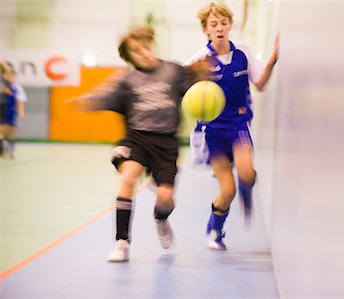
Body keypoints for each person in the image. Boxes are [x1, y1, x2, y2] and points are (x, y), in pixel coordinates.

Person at [76, 25, 205, 262]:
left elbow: (197, 90)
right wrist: (91, 101)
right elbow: (107, 96)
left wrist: (201, 76)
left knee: (165, 198)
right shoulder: (128, 80)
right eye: (136, 51)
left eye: (145, 46)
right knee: (128, 178)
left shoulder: (173, 70)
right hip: (137, 138)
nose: (143, 52)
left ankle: (161, 217)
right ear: (129, 57)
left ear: (152, 44)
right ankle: (122, 241)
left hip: (166, 142)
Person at [184, 2, 278, 250]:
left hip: (238, 125)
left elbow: (260, 84)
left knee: (248, 173)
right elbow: (179, 88)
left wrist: (271, 62)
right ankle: (214, 229)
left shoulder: (244, 52)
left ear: (230, 25)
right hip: (213, 132)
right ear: (206, 29)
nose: (219, 28)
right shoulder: (198, 60)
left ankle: (248, 194)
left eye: (223, 23)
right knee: (227, 190)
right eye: (213, 24)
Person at [0, 66, 27, 159]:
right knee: (2, 131)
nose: (10, 76)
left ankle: (10, 150)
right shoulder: (2, 85)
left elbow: (20, 101)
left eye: (12, 74)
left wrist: (21, 111)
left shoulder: (17, 87)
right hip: (2, 111)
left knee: (11, 132)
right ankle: (3, 148)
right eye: (8, 74)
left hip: (11, 113)